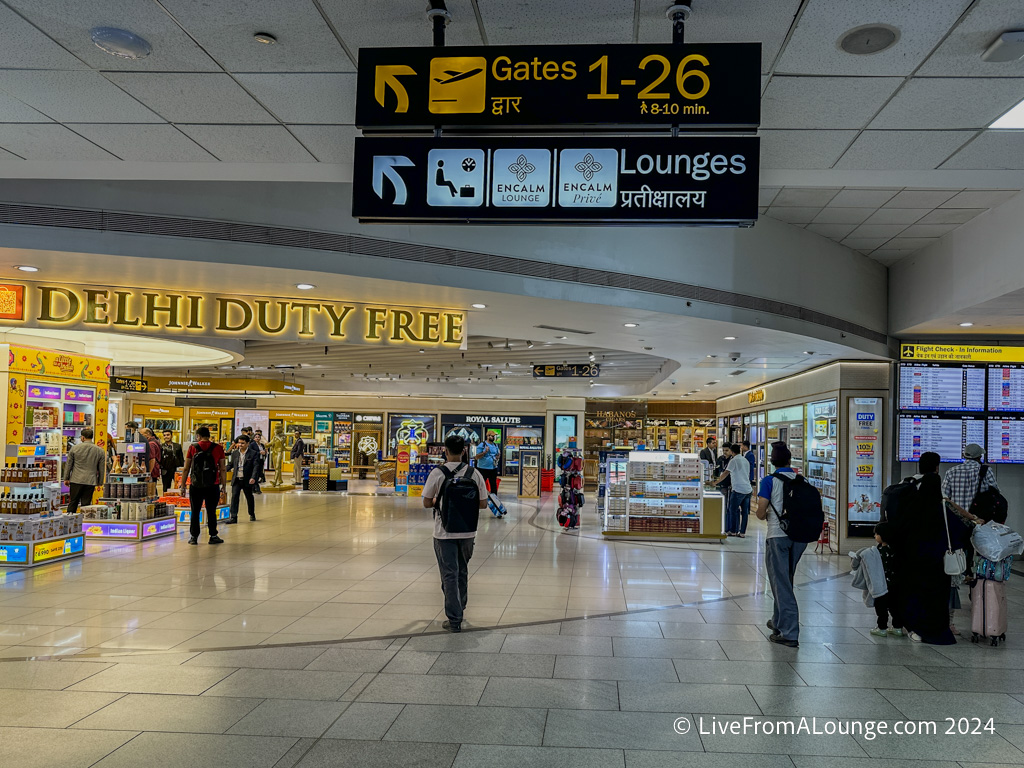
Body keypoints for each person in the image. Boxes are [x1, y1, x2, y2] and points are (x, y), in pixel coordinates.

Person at [421, 434, 488, 633]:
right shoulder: (474, 473)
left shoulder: (438, 473)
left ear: (445, 451)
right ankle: (461, 608)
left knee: (449, 574)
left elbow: (426, 502)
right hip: (468, 531)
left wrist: (439, 503)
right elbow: (483, 504)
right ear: (465, 451)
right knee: (462, 571)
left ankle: (454, 618)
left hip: (444, 533)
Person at [901, 453, 967, 645]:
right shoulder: (943, 509)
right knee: (937, 599)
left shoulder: (912, 505)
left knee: (918, 595)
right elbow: (959, 531)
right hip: (939, 563)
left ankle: (917, 628)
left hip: (916, 560)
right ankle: (938, 630)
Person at [755, 441, 804, 647]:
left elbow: (759, 512)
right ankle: (778, 621)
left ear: (772, 462)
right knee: (785, 580)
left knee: (780, 582)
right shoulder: (802, 479)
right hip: (799, 537)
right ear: (790, 460)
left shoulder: (769, 481)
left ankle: (789, 632)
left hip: (778, 536)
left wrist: (766, 513)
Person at [179, 426, 226, 546]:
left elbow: (186, 468)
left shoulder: (192, 447)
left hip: (196, 485)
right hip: (213, 484)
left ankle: (194, 537)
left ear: (198, 436)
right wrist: (224, 486)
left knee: (195, 511)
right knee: (211, 510)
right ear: (209, 436)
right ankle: (213, 535)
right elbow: (223, 468)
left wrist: (183, 485)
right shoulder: (218, 448)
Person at [942, 443, 998, 513]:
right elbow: (996, 492)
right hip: (979, 517)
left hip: (958, 517)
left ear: (964, 455)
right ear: (979, 457)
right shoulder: (986, 471)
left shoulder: (951, 472)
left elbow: (944, 496)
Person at [870, 522, 904, 637]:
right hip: (896, 583)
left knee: (881, 607)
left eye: (877, 534)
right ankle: (898, 627)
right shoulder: (897, 550)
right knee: (895, 606)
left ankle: (882, 628)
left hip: (882, 584)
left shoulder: (879, 551)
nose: (875, 536)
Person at [64, 427, 106, 515]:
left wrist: (66, 478)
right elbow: (101, 468)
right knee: (86, 505)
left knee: (73, 502)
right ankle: (85, 523)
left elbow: (69, 465)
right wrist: (100, 481)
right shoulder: (100, 451)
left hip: (76, 479)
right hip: (90, 480)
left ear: (82, 437)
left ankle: (70, 522)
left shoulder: (74, 448)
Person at [716, 443, 752, 537]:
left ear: (732, 451)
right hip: (747, 489)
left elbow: (725, 473)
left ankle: (733, 531)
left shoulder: (733, 460)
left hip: (738, 489)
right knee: (744, 512)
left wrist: (715, 482)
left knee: (733, 510)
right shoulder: (745, 460)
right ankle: (742, 532)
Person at [226, 434, 258, 524]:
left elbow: (256, 466)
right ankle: (233, 517)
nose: (240, 445)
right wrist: (223, 470)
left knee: (249, 497)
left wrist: (253, 477)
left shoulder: (253, 453)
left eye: (243, 443)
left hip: (247, 479)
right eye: (239, 443)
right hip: (236, 478)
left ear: (248, 443)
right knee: (234, 497)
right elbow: (231, 464)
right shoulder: (235, 453)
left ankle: (251, 513)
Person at [475, 432, 500, 496]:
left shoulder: (495, 445)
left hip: (493, 467)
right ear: (488, 436)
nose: (493, 437)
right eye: (492, 436)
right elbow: (477, 457)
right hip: (483, 468)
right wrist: (484, 452)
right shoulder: (482, 445)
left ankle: (494, 499)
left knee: (493, 485)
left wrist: (497, 456)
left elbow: (496, 455)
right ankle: (480, 497)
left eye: (494, 436)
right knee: (481, 484)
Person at [159, 429, 184, 494]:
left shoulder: (177, 446)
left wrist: (182, 469)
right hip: (165, 469)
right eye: (164, 435)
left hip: (176, 469)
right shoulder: (161, 447)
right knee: (166, 488)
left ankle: (178, 501)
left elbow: (181, 458)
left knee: (179, 486)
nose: (166, 436)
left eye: (168, 435)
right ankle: (166, 501)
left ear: (171, 436)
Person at [252, 430, 267, 494]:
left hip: (261, 460)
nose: (257, 438)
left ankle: (253, 488)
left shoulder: (262, 445)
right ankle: (257, 488)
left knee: (258, 474)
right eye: (256, 437)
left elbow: (265, 451)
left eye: (258, 437)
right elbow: (251, 452)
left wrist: (264, 454)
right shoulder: (252, 445)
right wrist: (259, 452)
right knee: (255, 474)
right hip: (255, 461)